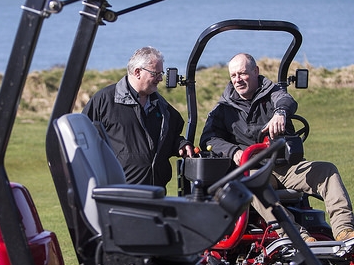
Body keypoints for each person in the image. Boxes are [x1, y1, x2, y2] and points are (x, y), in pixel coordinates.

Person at [200, 52, 354, 242]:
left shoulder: (272, 93)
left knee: (327, 171)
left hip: (286, 166)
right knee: (252, 183)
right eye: (234, 76)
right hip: (254, 168)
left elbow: (286, 100)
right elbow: (208, 138)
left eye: (242, 74)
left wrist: (280, 113)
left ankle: (344, 230)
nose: (238, 80)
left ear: (256, 71)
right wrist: (234, 152)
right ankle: (298, 236)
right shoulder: (224, 108)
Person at [82, 46, 193, 189]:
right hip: (118, 193)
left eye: (161, 73)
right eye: (156, 73)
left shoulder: (161, 105)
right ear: (137, 72)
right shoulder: (104, 100)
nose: (160, 79)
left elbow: (169, 138)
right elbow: (83, 141)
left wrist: (181, 144)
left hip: (156, 192)